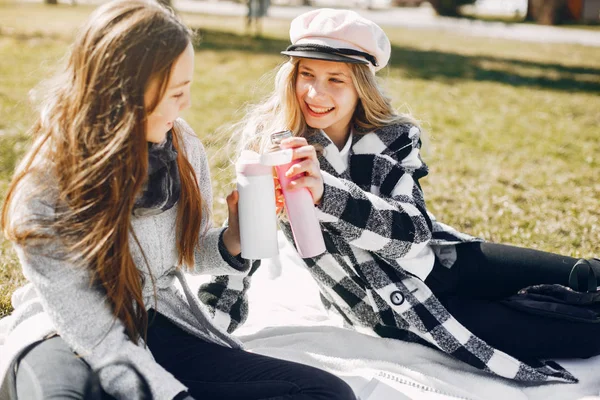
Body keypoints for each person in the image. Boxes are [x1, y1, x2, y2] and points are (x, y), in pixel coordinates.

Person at [198, 8, 600, 385]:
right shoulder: (274, 148)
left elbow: (414, 231)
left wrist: (326, 193)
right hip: (399, 305)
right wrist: (201, 332)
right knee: (583, 333)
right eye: (307, 74)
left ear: (360, 86)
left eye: (335, 79)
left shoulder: (390, 138)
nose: (316, 93)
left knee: (582, 274)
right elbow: (246, 247)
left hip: (445, 259)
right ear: (291, 76)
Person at [0, 1, 357, 399]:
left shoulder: (180, 145)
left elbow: (179, 253)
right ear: (125, 94)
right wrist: (170, 394)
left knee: (324, 393)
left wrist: (231, 241)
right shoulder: (46, 183)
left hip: (154, 323)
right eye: (176, 93)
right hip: (68, 333)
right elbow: (93, 331)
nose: (185, 105)